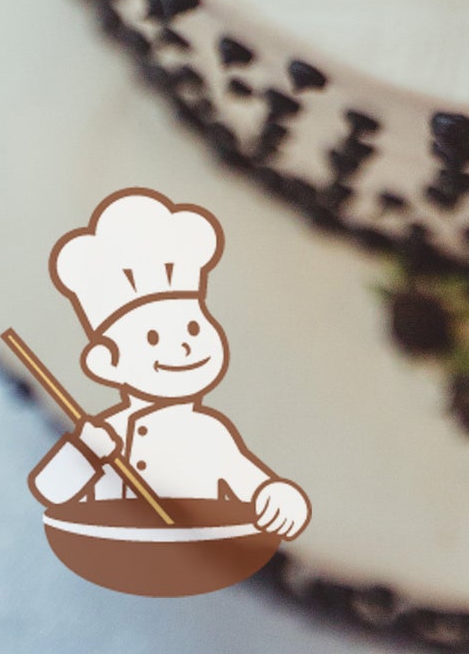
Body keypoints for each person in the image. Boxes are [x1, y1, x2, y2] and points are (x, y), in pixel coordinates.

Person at [27, 187, 310, 539]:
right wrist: (86, 452)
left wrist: (278, 497)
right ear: (107, 363)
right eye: (152, 338)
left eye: (193, 327)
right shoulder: (107, 433)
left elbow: (254, 485)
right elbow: (51, 491)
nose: (184, 347)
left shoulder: (211, 433)